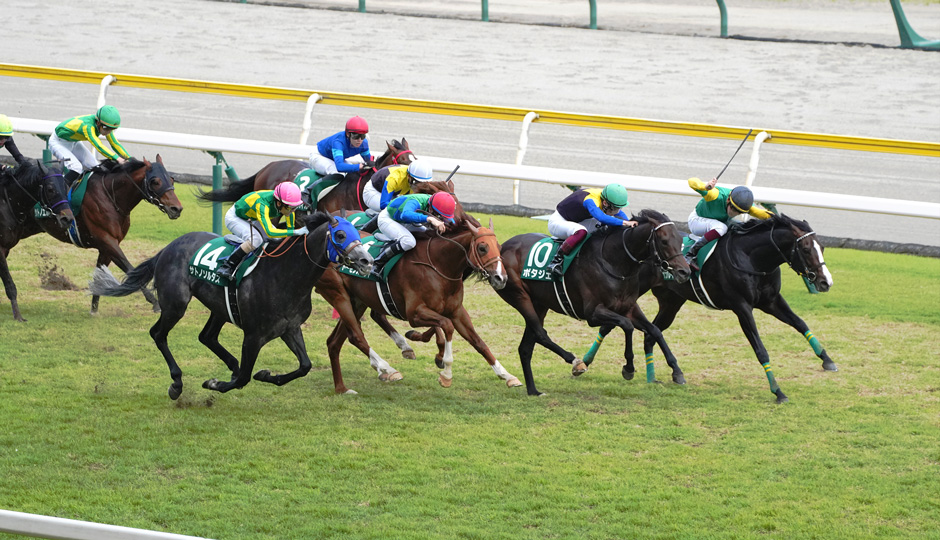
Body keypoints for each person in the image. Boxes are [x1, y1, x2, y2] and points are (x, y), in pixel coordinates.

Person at [217, 182, 308, 280]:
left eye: (295, 207)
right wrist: (295, 232)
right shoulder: (262, 204)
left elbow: (289, 223)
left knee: (279, 239)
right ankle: (227, 265)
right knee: (256, 240)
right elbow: (270, 232)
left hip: (253, 216)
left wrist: (291, 233)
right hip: (235, 217)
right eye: (291, 208)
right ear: (279, 203)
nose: (293, 211)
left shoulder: (284, 204)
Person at [546, 184, 637, 278]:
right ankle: (556, 260)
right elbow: (601, 217)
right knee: (581, 232)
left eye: (619, 208)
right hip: (558, 222)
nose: (617, 212)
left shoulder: (606, 199)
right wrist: (624, 222)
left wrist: (630, 224)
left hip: (577, 220)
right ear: (605, 203)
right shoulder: (590, 200)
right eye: (615, 209)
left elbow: (619, 214)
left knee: (605, 226)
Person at [685, 177, 772, 268]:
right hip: (697, 221)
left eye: (739, 212)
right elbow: (691, 181)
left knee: (744, 227)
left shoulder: (745, 206)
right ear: (728, 200)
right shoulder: (715, 195)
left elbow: (764, 214)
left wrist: (780, 219)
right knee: (722, 228)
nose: (735, 213)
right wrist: (704, 186)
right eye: (734, 209)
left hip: (718, 222)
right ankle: (691, 253)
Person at [370, 191, 457, 279]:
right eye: (439, 216)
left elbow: (449, 221)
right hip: (389, 218)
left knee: (427, 234)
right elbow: (405, 214)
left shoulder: (436, 203)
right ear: (431, 209)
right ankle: (377, 263)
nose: (440, 219)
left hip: (405, 221)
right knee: (409, 241)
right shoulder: (415, 201)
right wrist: (429, 218)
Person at [49, 105, 130, 185]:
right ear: (98, 123)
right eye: (106, 128)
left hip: (74, 142)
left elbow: (115, 143)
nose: (109, 132)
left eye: (112, 129)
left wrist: (129, 158)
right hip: (58, 143)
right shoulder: (88, 127)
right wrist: (117, 158)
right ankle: (58, 190)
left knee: (95, 166)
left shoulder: (104, 125)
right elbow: (99, 146)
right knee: (76, 168)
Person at [362, 159, 434, 215]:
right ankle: (366, 227)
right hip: (373, 192)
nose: (419, 186)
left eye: (422, 183)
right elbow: (384, 204)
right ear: (409, 176)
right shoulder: (394, 178)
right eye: (416, 182)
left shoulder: (413, 176)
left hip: (393, 194)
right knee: (391, 211)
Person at [308, 116, 373, 177]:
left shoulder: (364, 143)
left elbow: (369, 161)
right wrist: (359, 166)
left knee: (353, 174)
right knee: (337, 173)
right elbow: (340, 167)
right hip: (319, 156)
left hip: (334, 158)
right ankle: (314, 186)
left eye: (362, 136)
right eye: (356, 136)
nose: (359, 140)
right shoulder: (338, 142)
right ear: (348, 134)